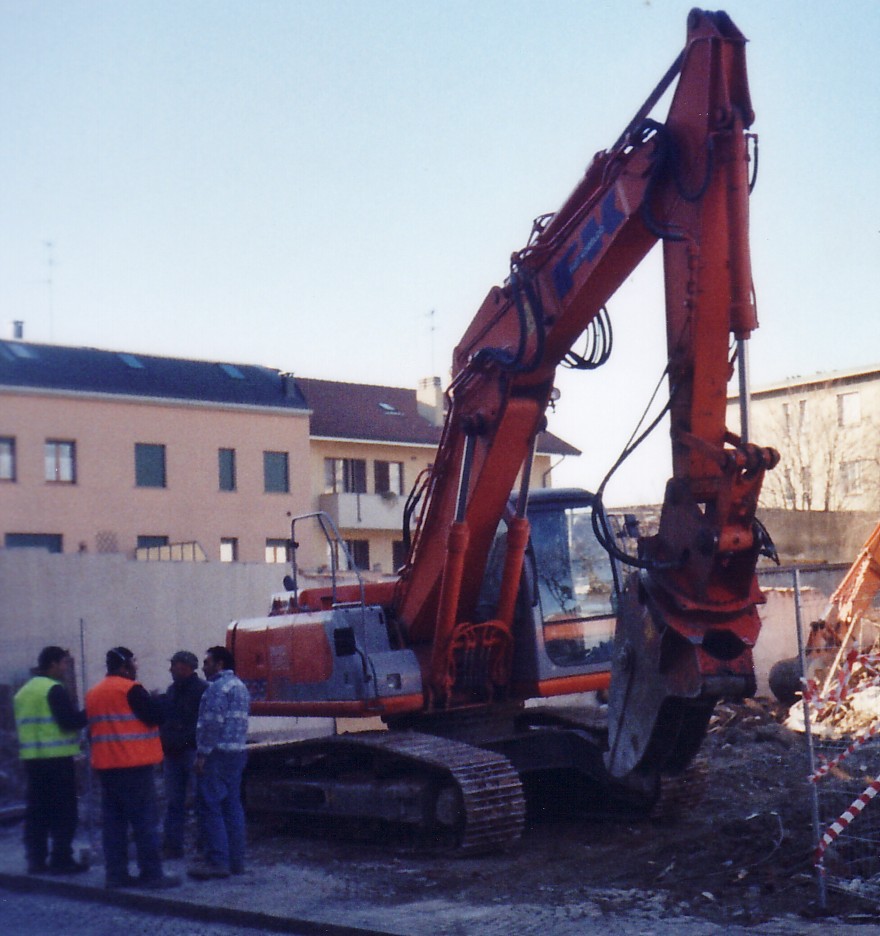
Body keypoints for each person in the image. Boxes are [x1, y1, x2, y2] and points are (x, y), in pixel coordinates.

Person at [85, 646, 180, 889]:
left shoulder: (93, 694)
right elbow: (155, 716)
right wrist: (162, 701)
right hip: (134, 767)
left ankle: (115, 875)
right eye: (134, 664)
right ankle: (152, 875)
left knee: (113, 825)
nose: (136, 668)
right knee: (144, 822)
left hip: (107, 769)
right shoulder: (131, 690)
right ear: (125, 666)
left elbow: (92, 731)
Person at [14, 646, 88, 875]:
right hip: (57, 760)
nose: (66, 668)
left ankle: (36, 860)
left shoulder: (24, 691)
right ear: (54, 664)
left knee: (37, 811)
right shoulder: (54, 689)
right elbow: (69, 722)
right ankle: (61, 859)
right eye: (64, 663)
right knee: (64, 811)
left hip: (33, 760)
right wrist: (89, 712)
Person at [188, 645, 250, 880]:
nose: (203, 667)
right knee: (232, 806)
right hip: (237, 752)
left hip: (217, 754)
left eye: (207, 662)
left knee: (211, 806)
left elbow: (211, 724)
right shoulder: (240, 687)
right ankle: (236, 862)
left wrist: (202, 754)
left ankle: (217, 862)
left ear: (219, 664)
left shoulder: (216, 689)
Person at [159, 650, 206, 859]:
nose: (170, 669)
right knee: (174, 802)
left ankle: (203, 847)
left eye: (174, 665)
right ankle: (173, 846)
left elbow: (201, 724)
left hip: (190, 752)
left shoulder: (202, 690)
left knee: (200, 800)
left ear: (186, 667)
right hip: (174, 753)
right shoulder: (172, 691)